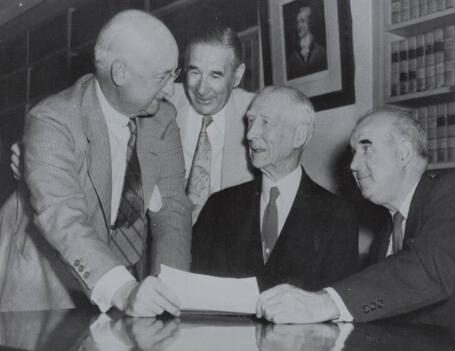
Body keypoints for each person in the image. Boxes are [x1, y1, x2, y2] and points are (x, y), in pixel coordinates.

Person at [0, 10, 191, 316]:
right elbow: (64, 219)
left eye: (174, 73)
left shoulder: (163, 118)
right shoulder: (52, 119)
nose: (171, 89)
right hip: (45, 290)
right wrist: (126, 291)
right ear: (120, 73)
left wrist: (173, 293)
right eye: (162, 77)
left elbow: (172, 211)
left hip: (117, 284)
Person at [257, 108, 455, 330]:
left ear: (404, 153)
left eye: (366, 147)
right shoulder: (386, 233)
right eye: (353, 152)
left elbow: (429, 267)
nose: (353, 164)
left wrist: (326, 302)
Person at [191, 86, 358, 292]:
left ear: (299, 136)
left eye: (265, 122)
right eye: (251, 121)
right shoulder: (218, 206)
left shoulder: (337, 216)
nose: (250, 135)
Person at [168, 24, 256, 222]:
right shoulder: (162, 101)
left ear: (238, 75)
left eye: (215, 75)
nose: (201, 88)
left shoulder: (255, 113)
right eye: (195, 72)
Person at [287, 6, 327, 80]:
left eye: (302, 21)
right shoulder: (292, 57)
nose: (299, 26)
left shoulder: (321, 52)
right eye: (297, 23)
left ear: (309, 23)